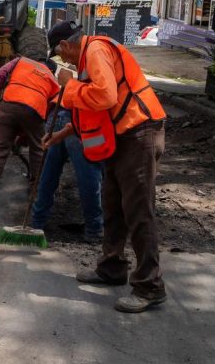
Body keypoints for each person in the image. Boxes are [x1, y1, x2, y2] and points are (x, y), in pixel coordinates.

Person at [46, 21, 168, 313]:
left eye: (61, 56)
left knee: (139, 210)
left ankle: (150, 286)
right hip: (124, 136)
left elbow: (105, 97)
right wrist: (61, 135)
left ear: (65, 46)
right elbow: (95, 109)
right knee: (113, 204)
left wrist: (69, 86)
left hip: (139, 132)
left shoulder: (96, 51)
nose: (64, 62)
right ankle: (112, 267)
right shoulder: (90, 55)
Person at [0, 55, 59, 206]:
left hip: (9, 105)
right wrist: (26, 138)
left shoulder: (21, 61)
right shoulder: (53, 80)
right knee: (38, 151)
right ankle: (38, 196)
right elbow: (47, 112)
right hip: (35, 111)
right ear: (51, 69)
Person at [29, 104, 103, 243]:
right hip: (79, 122)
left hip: (56, 116)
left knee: (49, 172)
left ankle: (37, 222)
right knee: (89, 174)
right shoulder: (108, 86)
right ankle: (94, 229)